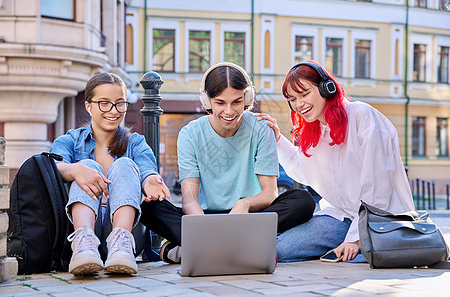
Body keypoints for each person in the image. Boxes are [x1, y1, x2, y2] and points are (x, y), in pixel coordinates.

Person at [140, 62, 315, 263]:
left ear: (247, 99)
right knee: (148, 207)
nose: (229, 111)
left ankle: (195, 249)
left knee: (303, 201)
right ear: (207, 101)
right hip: (205, 218)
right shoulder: (190, 134)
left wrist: (245, 203)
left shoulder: (261, 129)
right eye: (220, 102)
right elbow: (190, 200)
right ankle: (237, 246)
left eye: (237, 102)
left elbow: (270, 193)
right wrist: (204, 228)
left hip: (248, 216)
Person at [256, 61, 415, 262]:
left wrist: (356, 239)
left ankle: (359, 249)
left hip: (380, 219)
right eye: (293, 99)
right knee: (280, 249)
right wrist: (278, 140)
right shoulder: (314, 130)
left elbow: (378, 183)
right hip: (341, 217)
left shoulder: (362, 115)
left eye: (304, 95)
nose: (299, 105)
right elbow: (304, 170)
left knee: (362, 257)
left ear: (326, 88)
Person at [49, 72, 170, 275]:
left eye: (120, 103)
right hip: (82, 228)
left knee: (124, 164)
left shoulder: (136, 142)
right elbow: (50, 168)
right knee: (86, 165)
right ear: (89, 106)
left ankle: (120, 246)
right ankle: (84, 245)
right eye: (104, 103)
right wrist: (76, 169)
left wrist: (150, 180)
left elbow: (146, 168)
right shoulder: (70, 140)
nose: (113, 111)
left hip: (128, 232)